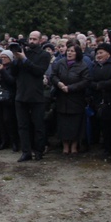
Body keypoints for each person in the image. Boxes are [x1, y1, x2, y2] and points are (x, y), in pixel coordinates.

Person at [12, 31, 52, 162]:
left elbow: (39, 71)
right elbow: (14, 73)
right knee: (22, 125)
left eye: (35, 39)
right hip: (21, 94)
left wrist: (25, 59)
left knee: (38, 125)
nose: (32, 41)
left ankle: (39, 151)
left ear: (40, 40)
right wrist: (16, 58)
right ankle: (26, 151)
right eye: (30, 39)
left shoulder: (44, 55)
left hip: (36, 95)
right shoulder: (23, 53)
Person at [51, 45, 91, 155]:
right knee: (63, 123)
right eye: (68, 51)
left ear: (77, 53)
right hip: (61, 98)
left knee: (75, 124)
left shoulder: (82, 65)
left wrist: (70, 88)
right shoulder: (60, 63)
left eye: (72, 51)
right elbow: (53, 75)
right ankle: (65, 146)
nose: (69, 53)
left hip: (76, 99)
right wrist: (58, 83)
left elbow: (85, 81)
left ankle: (74, 146)